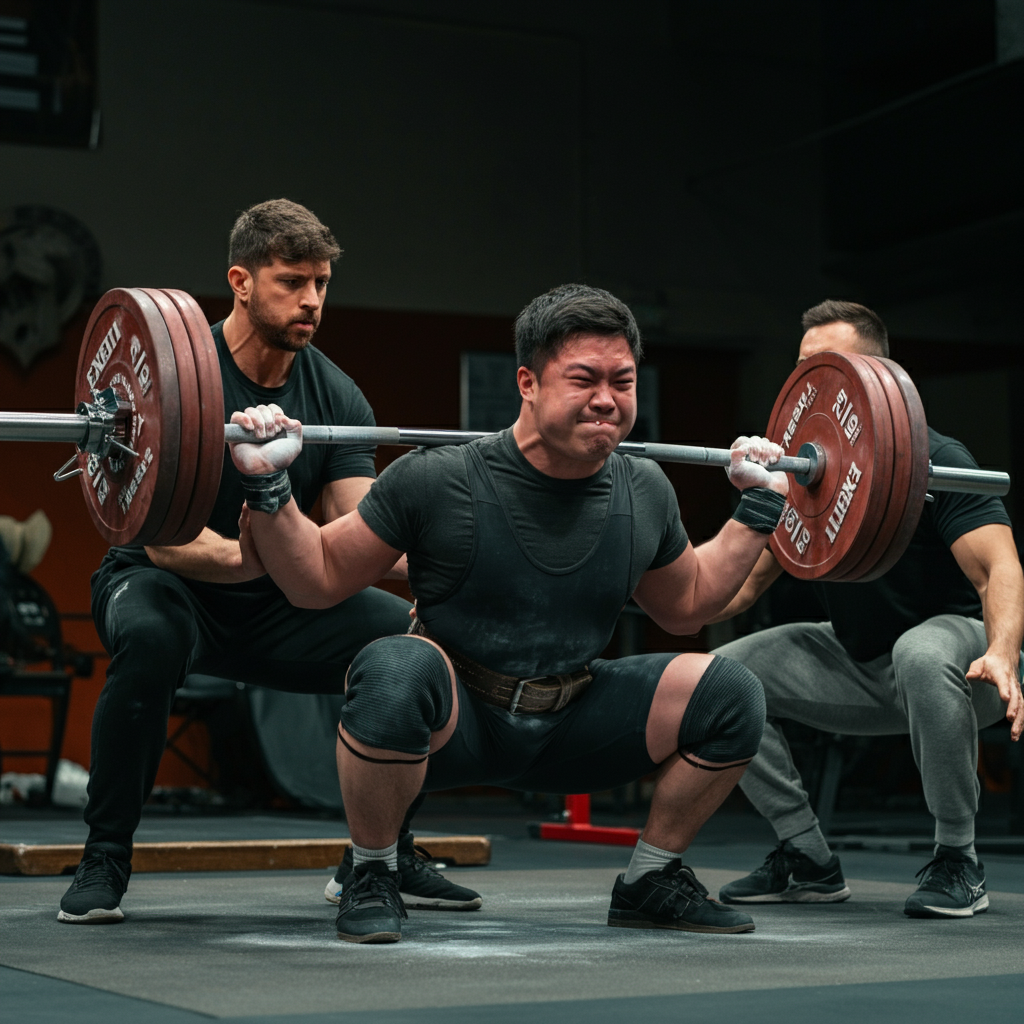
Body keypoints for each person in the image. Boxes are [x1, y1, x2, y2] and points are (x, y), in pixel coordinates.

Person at [229, 283, 792, 944]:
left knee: (731, 691)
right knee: (393, 665)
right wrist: (269, 486)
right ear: (527, 381)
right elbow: (318, 580)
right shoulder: (437, 478)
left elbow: (686, 605)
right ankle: (375, 871)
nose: (607, 399)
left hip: (574, 720)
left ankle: (651, 878)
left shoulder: (644, 489)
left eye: (623, 381)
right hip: (455, 727)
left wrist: (758, 510)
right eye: (583, 379)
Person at [58, 199, 480, 923]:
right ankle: (104, 859)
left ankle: (381, 854)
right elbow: (162, 537)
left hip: (278, 595)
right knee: (151, 641)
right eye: (291, 281)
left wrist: (461, 570)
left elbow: (360, 527)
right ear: (241, 281)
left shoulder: (336, 394)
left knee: (415, 648)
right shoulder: (174, 378)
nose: (312, 300)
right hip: (164, 581)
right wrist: (262, 556)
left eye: (320, 283)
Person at [710, 299, 1023, 919]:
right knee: (718, 677)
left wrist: (1003, 654)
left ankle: (959, 859)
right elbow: (733, 588)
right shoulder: (802, 474)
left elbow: (999, 569)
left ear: (879, 373)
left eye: (836, 362)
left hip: (965, 671)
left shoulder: (937, 460)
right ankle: (806, 858)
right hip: (857, 664)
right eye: (808, 366)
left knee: (919, 649)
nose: (820, 378)